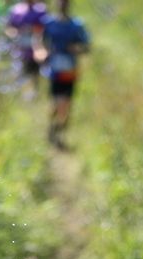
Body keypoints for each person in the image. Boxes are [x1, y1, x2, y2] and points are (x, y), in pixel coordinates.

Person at [42, 0, 90, 148]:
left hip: (69, 71)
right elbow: (41, 42)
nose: (62, 5)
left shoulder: (76, 26)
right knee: (55, 103)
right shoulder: (49, 23)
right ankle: (52, 127)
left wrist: (76, 49)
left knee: (66, 104)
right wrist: (42, 52)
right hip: (54, 70)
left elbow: (86, 47)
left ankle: (59, 134)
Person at [6, 1, 49, 93]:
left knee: (35, 73)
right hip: (20, 49)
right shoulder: (16, 10)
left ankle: (35, 93)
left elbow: (46, 28)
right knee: (21, 73)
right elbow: (9, 28)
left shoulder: (41, 10)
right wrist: (16, 33)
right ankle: (22, 94)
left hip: (36, 49)